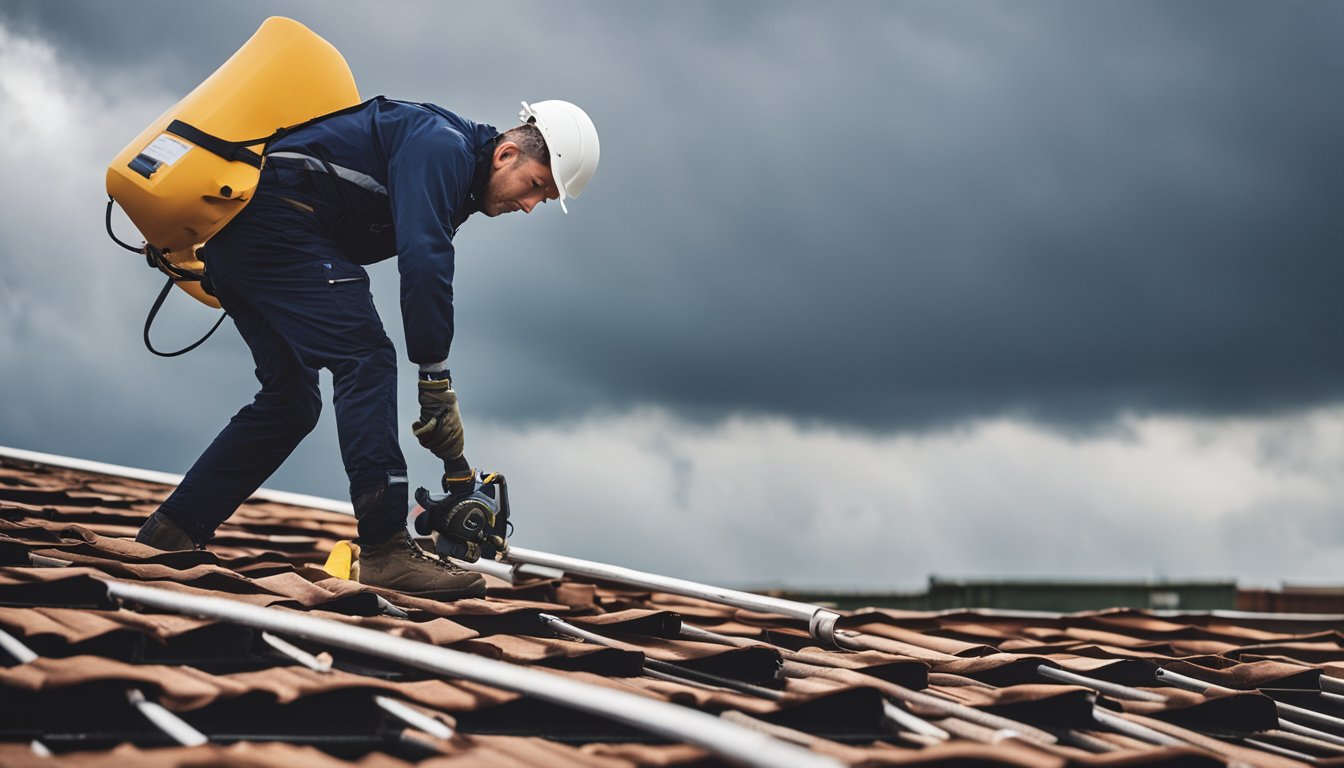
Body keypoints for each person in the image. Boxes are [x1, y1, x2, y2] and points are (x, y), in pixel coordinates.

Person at [133, 97, 600, 600]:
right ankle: (386, 550)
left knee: (291, 402)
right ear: (507, 154)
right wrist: (435, 379)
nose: (529, 206)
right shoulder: (442, 147)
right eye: (535, 186)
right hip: (277, 225)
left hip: (246, 242)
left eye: (544, 200)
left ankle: (174, 530)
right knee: (367, 357)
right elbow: (425, 259)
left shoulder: (454, 165)